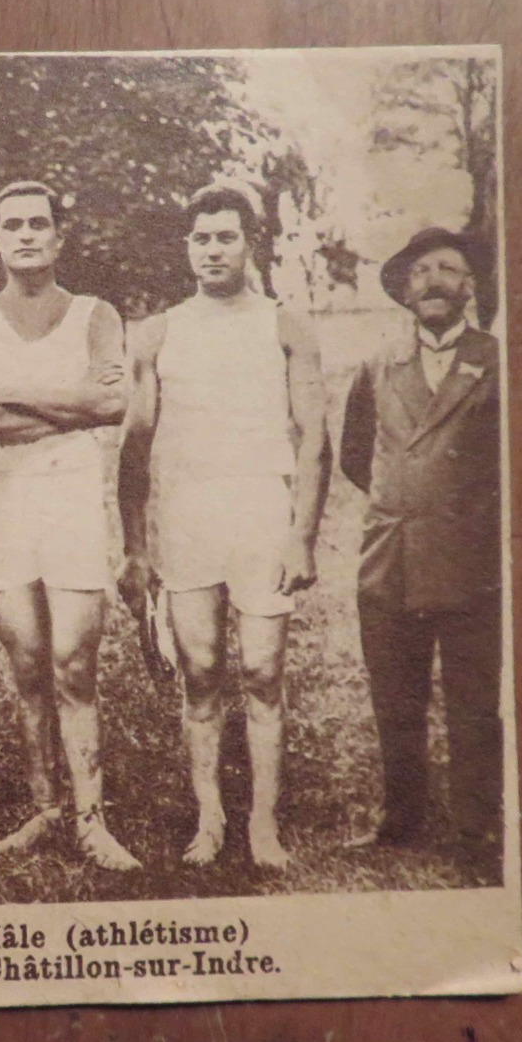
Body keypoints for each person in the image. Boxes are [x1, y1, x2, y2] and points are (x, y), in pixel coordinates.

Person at [118, 183, 331, 870]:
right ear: (188, 248)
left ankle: (263, 823)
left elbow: (313, 439)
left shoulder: (284, 325)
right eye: (202, 238)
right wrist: (136, 546)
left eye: (226, 237)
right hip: (188, 515)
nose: (213, 250)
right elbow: (135, 449)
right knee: (202, 671)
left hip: (261, 511)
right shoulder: (158, 333)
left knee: (264, 670)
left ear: (251, 243)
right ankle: (210, 819)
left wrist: (301, 533)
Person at [0, 181, 137, 868]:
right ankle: (45, 808)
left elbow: (112, 405)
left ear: (60, 237)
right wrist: (71, 404)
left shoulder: (96, 314)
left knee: (74, 664)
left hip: (72, 496)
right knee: (27, 662)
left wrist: (11, 394)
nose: (26, 235)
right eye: (11, 225)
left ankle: (92, 818)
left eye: (39, 224)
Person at [341, 227, 503, 878]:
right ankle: (399, 818)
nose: (433, 280)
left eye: (448, 269)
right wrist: (397, 508)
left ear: (469, 287)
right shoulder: (378, 365)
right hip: (392, 559)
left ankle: (476, 828)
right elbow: (358, 456)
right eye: (420, 272)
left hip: (471, 562)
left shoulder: (497, 362)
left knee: (473, 702)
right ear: (404, 290)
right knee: (395, 699)